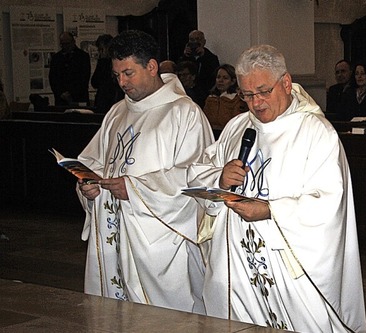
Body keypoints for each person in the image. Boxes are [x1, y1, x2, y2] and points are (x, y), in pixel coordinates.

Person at [188, 44, 366, 333]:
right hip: (235, 264)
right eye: (247, 95)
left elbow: (329, 202)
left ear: (285, 83)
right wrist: (220, 179)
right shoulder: (237, 127)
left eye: (263, 92)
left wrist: (271, 210)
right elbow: (197, 172)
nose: (255, 103)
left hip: (289, 269)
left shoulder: (315, 132)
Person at [76, 30, 215, 314]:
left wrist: (136, 189)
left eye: (128, 73)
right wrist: (89, 186)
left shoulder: (184, 114)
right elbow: (95, 162)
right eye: (117, 75)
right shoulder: (117, 112)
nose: (122, 83)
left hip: (160, 240)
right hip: (114, 231)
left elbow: (197, 178)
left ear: (151, 67)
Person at [49, 31, 91, 106]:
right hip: (61, 99)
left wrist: (71, 93)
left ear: (73, 42)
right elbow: (53, 78)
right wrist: (60, 93)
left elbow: (84, 77)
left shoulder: (83, 57)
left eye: (67, 44)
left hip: (79, 96)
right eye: (62, 44)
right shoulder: (56, 58)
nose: (65, 46)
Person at [201, 64, 248, 128]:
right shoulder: (210, 98)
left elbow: (237, 122)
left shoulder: (237, 99)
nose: (220, 81)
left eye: (225, 78)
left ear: (233, 81)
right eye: (218, 77)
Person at [91, 34, 124, 114]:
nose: (99, 52)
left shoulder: (106, 62)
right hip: (106, 99)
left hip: (110, 99)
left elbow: (96, 81)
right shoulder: (106, 62)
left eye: (101, 49)